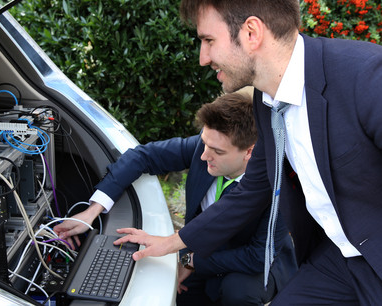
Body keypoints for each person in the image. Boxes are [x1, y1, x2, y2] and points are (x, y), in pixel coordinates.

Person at [113, 0, 382, 305]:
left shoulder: (373, 78)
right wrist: (172, 243)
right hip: (337, 262)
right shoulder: (265, 100)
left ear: (251, 32)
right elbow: (253, 190)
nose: (202, 57)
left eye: (208, 40)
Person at [55, 92, 297, 305]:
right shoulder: (207, 145)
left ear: (249, 151)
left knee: (238, 292)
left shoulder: (278, 184)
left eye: (217, 152)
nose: (203, 156)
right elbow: (143, 156)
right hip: (198, 252)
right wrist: (93, 210)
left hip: (250, 266)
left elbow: (256, 257)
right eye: (204, 144)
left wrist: (188, 260)